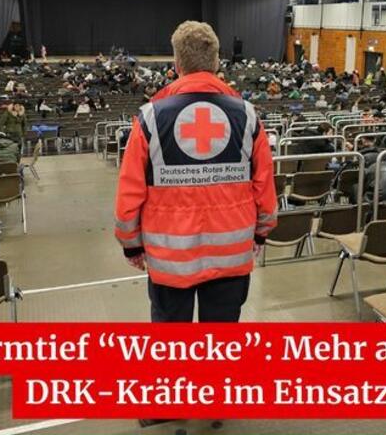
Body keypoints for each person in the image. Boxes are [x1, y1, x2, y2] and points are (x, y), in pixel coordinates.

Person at [114, 20, 277, 327]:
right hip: (231, 257)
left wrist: (131, 243)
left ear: (176, 64)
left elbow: (130, 191)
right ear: (216, 63)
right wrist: (261, 232)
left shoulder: (150, 118)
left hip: (170, 260)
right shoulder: (248, 115)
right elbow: (265, 184)